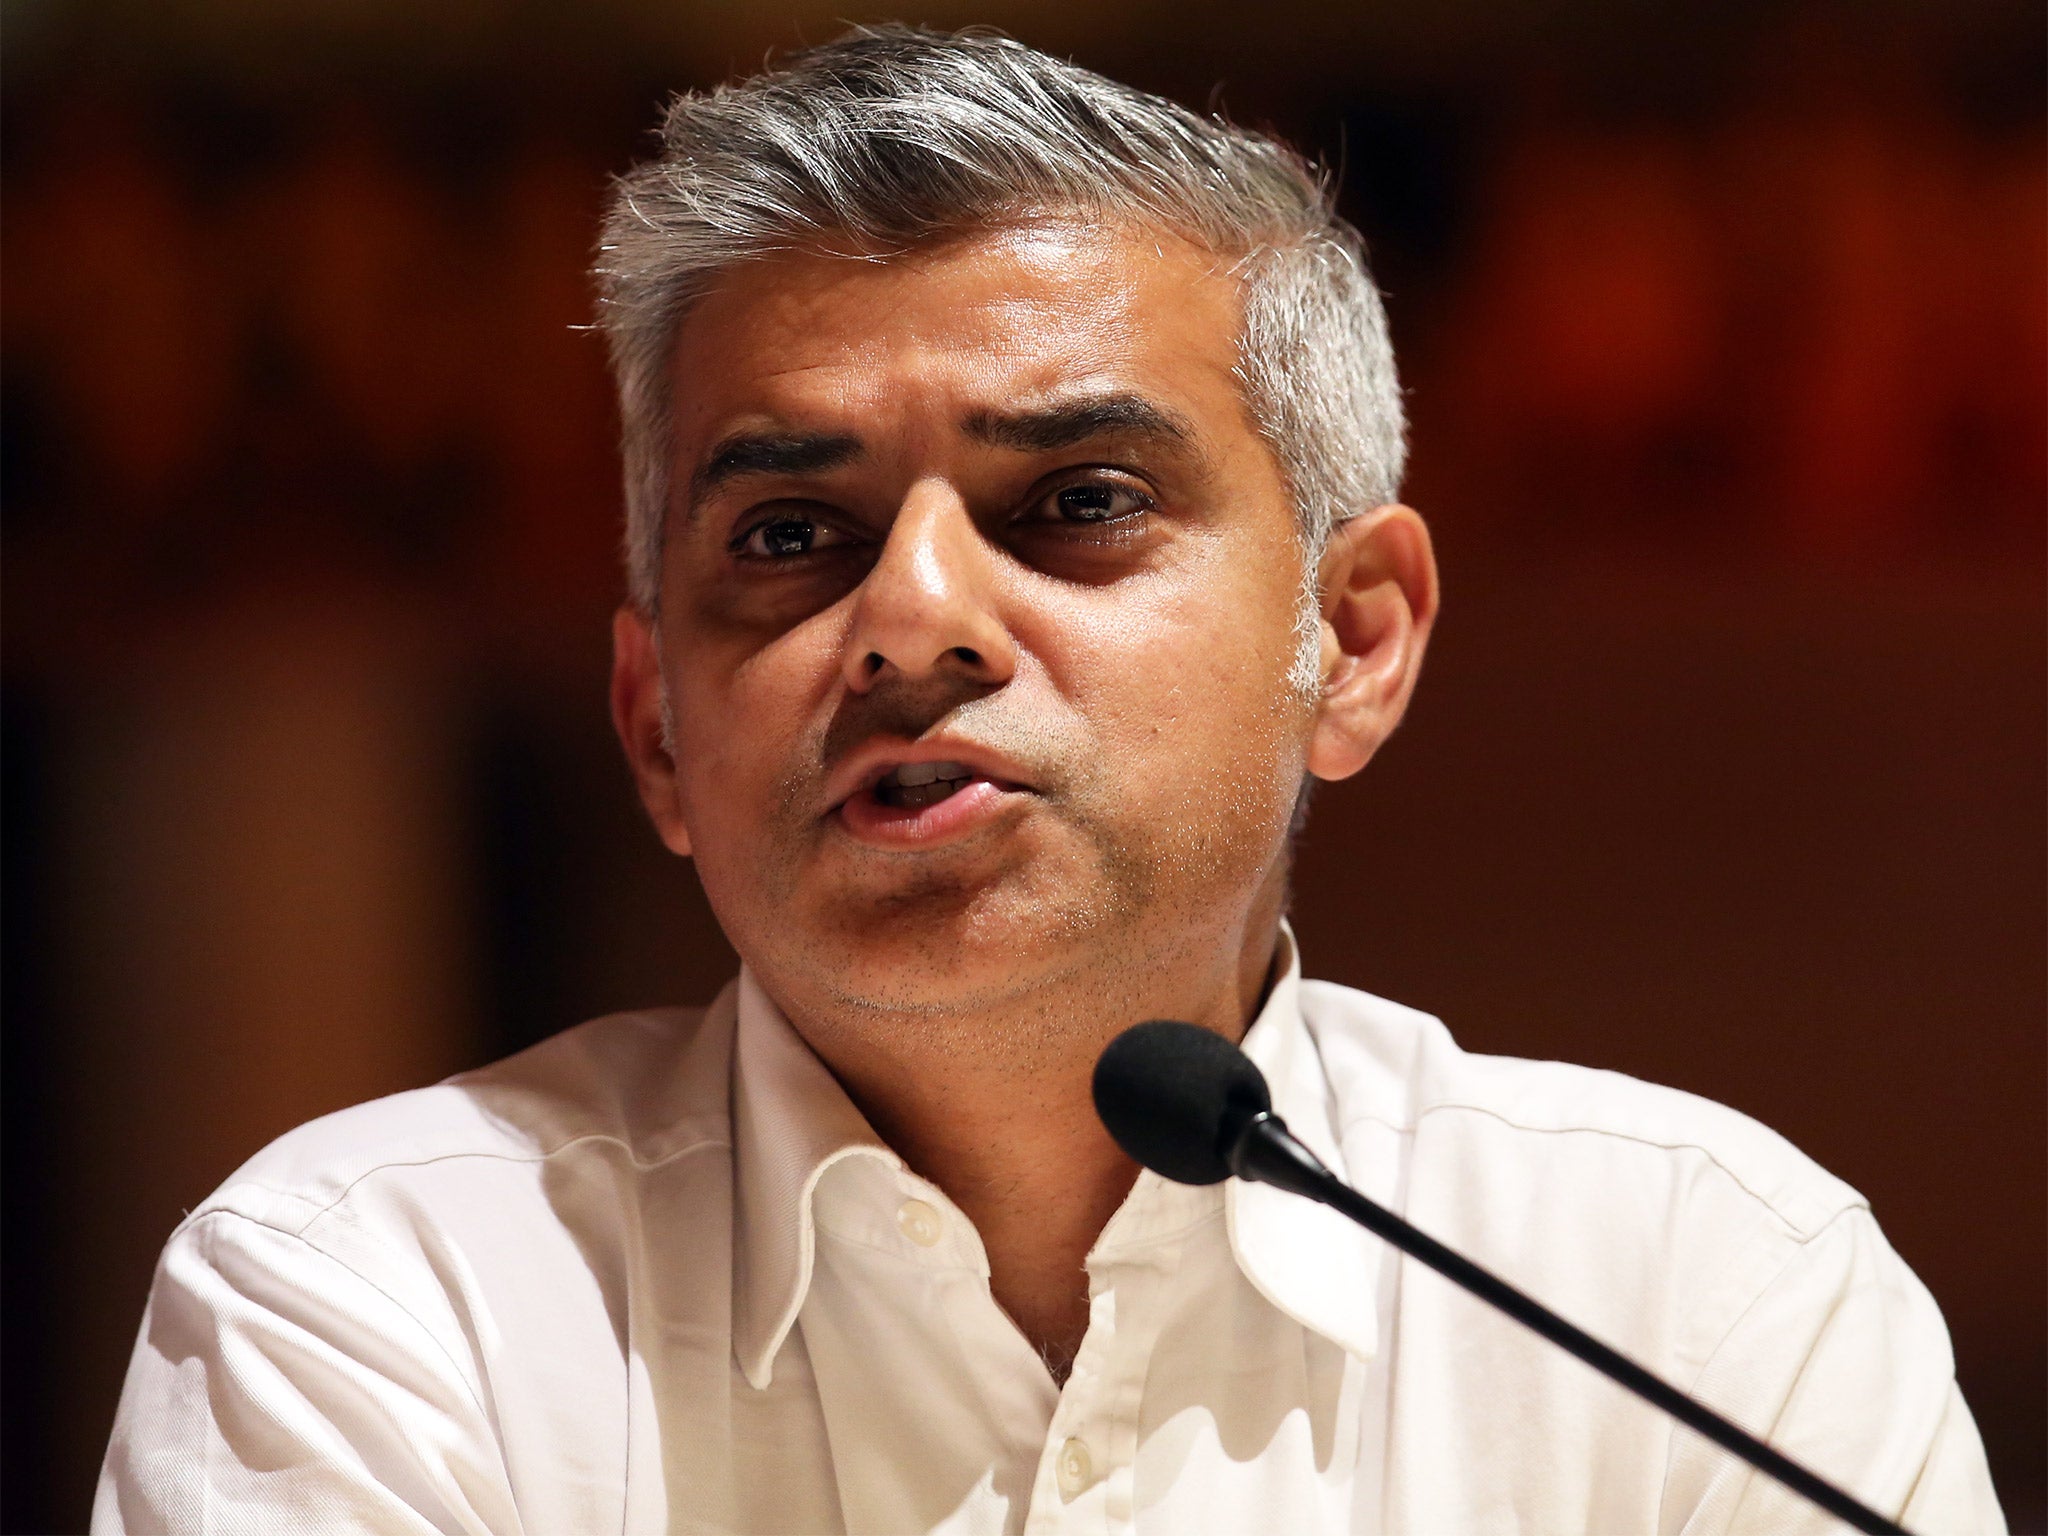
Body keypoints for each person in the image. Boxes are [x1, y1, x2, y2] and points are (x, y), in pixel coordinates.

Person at [95, 26, 2002, 1535]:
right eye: (786, 534)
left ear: (1352, 636)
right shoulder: (383, 1304)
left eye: (1078, 504)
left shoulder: (1695, 1304)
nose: (913, 618)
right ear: (658, 728)